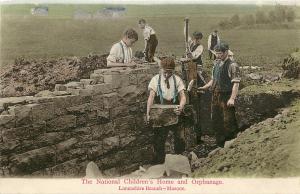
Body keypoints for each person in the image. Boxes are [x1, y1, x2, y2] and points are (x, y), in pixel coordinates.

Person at [198, 42, 241, 147]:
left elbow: (236, 84)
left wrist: (232, 98)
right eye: (216, 53)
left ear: (226, 52)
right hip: (215, 95)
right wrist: (205, 87)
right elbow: (214, 79)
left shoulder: (232, 65)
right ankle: (219, 144)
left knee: (228, 121)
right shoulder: (216, 64)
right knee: (216, 119)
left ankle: (230, 144)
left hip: (226, 95)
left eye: (220, 53)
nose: (217, 55)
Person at [146, 57, 186, 164]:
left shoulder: (177, 79)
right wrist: (148, 113)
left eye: (170, 72)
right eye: (165, 72)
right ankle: (160, 163)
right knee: (159, 139)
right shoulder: (155, 79)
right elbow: (151, 97)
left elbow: (183, 96)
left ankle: (178, 161)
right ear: (161, 69)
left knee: (179, 138)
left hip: (175, 112)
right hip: (160, 115)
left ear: (173, 70)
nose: (167, 74)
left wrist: (181, 107)